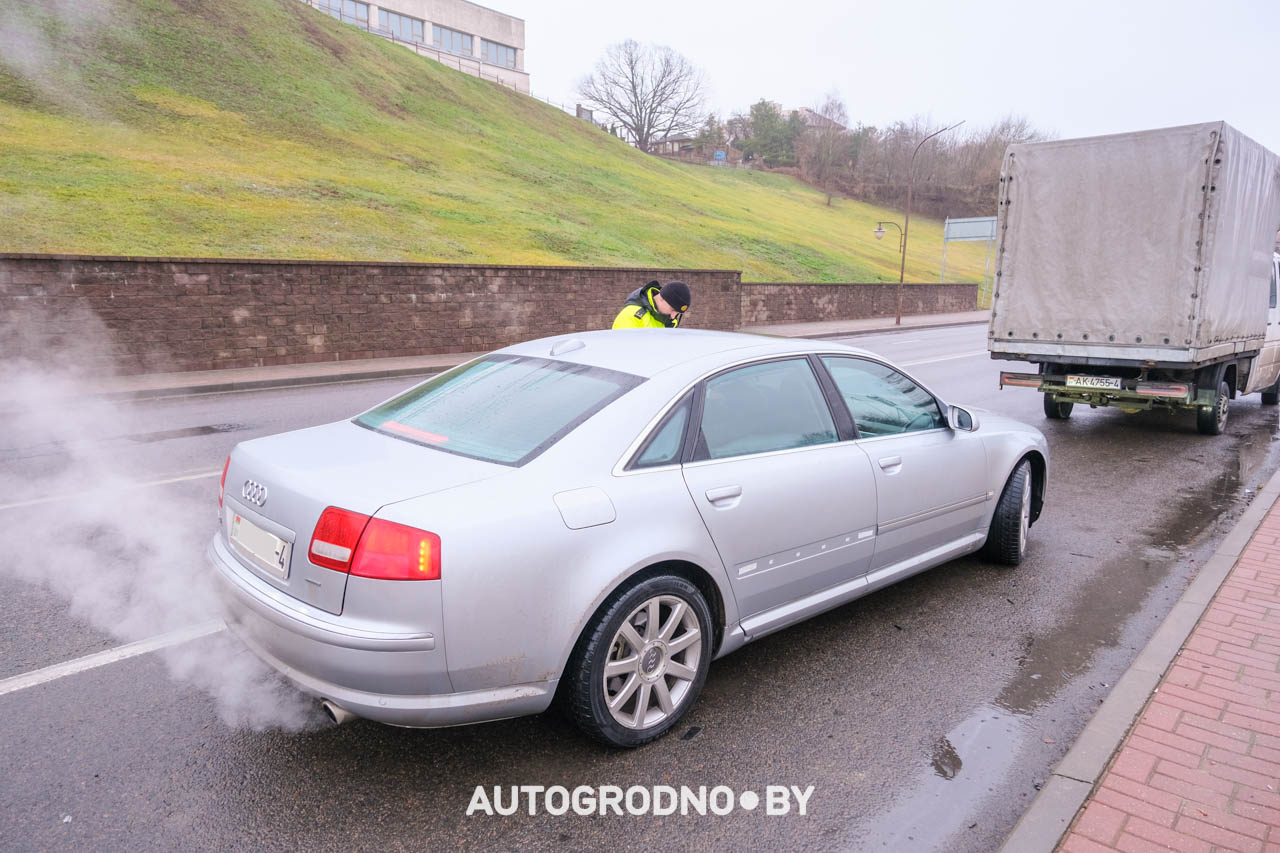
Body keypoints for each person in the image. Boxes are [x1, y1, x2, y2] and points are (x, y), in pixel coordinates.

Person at [611, 280, 691, 329]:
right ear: (662, 298)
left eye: (678, 313)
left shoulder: (669, 320)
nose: (673, 317)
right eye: (672, 309)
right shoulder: (630, 317)